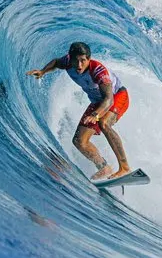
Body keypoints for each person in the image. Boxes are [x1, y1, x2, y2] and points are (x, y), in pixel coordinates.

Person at [26, 42, 131, 180]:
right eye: (76, 60)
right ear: (71, 58)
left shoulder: (99, 72)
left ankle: (124, 168)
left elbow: (108, 100)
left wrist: (95, 115)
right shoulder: (68, 62)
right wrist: (43, 71)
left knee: (104, 123)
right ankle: (104, 167)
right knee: (79, 141)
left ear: (89, 59)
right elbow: (56, 62)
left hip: (117, 97)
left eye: (83, 60)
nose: (79, 65)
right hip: (97, 102)